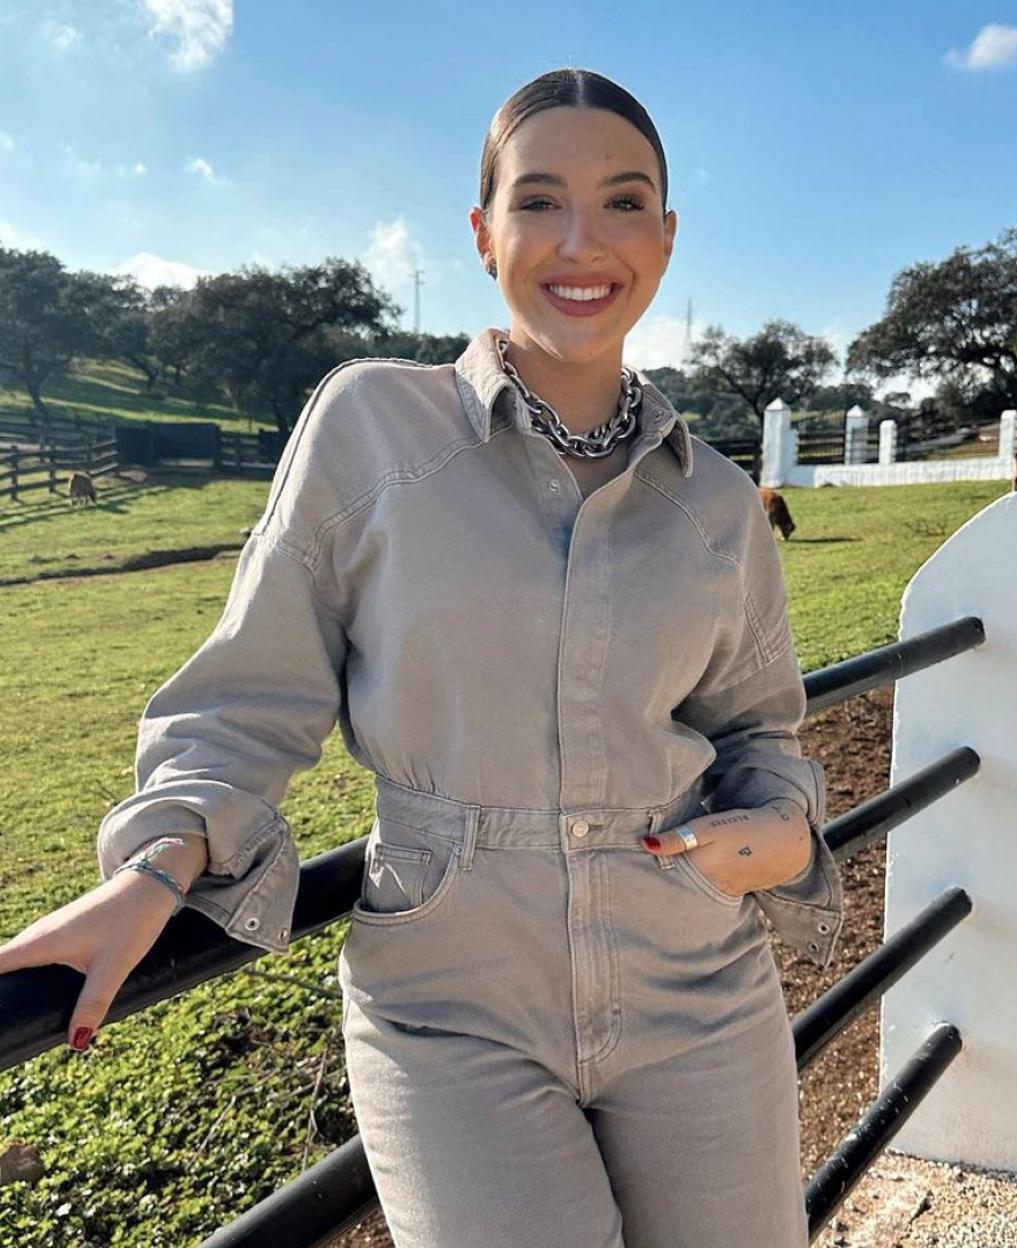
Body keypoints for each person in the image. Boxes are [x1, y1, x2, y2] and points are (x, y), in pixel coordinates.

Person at [0, 68, 842, 1248]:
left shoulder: (718, 503)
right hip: (451, 1007)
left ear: (666, 234)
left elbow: (760, 730)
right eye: (539, 200)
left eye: (624, 201)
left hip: (701, 983)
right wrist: (156, 862)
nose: (580, 240)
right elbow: (247, 694)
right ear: (482, 232)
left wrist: (785, 828)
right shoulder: (372, 428)